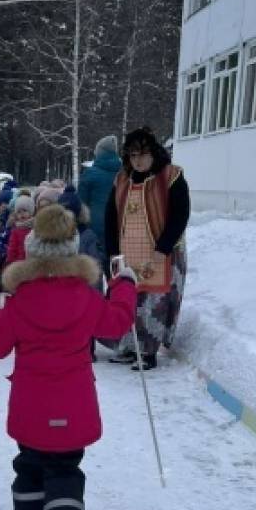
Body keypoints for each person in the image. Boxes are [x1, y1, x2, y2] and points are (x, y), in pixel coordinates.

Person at [0, 204, 137, 510]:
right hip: (74, 403)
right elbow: (117, 323)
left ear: (33, 249)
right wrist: (125, 286)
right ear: (73, 249)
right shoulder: (86, 297)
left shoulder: (19, 300)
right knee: (65, 469)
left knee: (29, 464)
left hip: (30, 407)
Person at [103, 126, 190, 370]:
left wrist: (163, 247)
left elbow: (180, 215)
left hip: (161, 254)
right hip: (128, 252)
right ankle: (130, 348)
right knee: (129, 299)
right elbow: (110, 217)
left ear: (154, 153)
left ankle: (148, 351)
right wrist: (112, 251)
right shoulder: (121, 179)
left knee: (153, 304)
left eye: (142, 154)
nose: (137, 160)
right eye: (132, 155)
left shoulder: (171, 177)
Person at [77, 134, 122, 268]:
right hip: (119, 229)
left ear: (99, 153)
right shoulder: (125, 173)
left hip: (95, 230)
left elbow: (80, 204)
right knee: (116, 273)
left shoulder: (89, 175)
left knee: (94, 273)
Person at [4, 193, 35, 265]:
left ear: (31, 212)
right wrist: (10, 260)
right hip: (19, 262)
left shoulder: (35, 228)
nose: (22, 214)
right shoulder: (16, 230)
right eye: (19, 212)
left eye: (24, 211)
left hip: (32, 262)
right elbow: (12, 247)